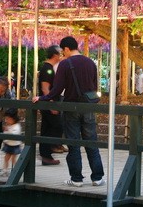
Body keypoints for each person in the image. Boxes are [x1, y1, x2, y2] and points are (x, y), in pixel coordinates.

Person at [32, 36, 105, 187]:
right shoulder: (91, 62)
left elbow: (57, 89)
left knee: (73, 143)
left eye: (62, 51)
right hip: (89, 107)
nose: (62, 54)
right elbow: (95, 87)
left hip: (71, 107)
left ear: (66, 48)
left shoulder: (65, 64)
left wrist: (43, 98)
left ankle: (77, 178)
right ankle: (97, 177)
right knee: (91, 142)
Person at [38, 45, 64, 165]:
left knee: (47, 128)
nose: (61, 55)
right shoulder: (47, 69)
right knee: (56, 126)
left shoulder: (48, 68)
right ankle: (48, 150)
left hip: (47, 103)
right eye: (60, 53)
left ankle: (46, 155)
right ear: (54, 55)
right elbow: (45, 88)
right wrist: (51, 104)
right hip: (48, 103)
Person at [0, 107, 23, 177]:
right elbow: (6, 134)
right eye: (6, 119)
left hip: (15, 145)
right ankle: (5, 170)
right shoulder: (9, 126)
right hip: (8, 144)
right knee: (6, 158)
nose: (6, 121)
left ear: (13, 119)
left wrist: (7, 130)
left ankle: (16, 171)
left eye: (8, 119)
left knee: (13, 159)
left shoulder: (17, 126)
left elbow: (14, 134)